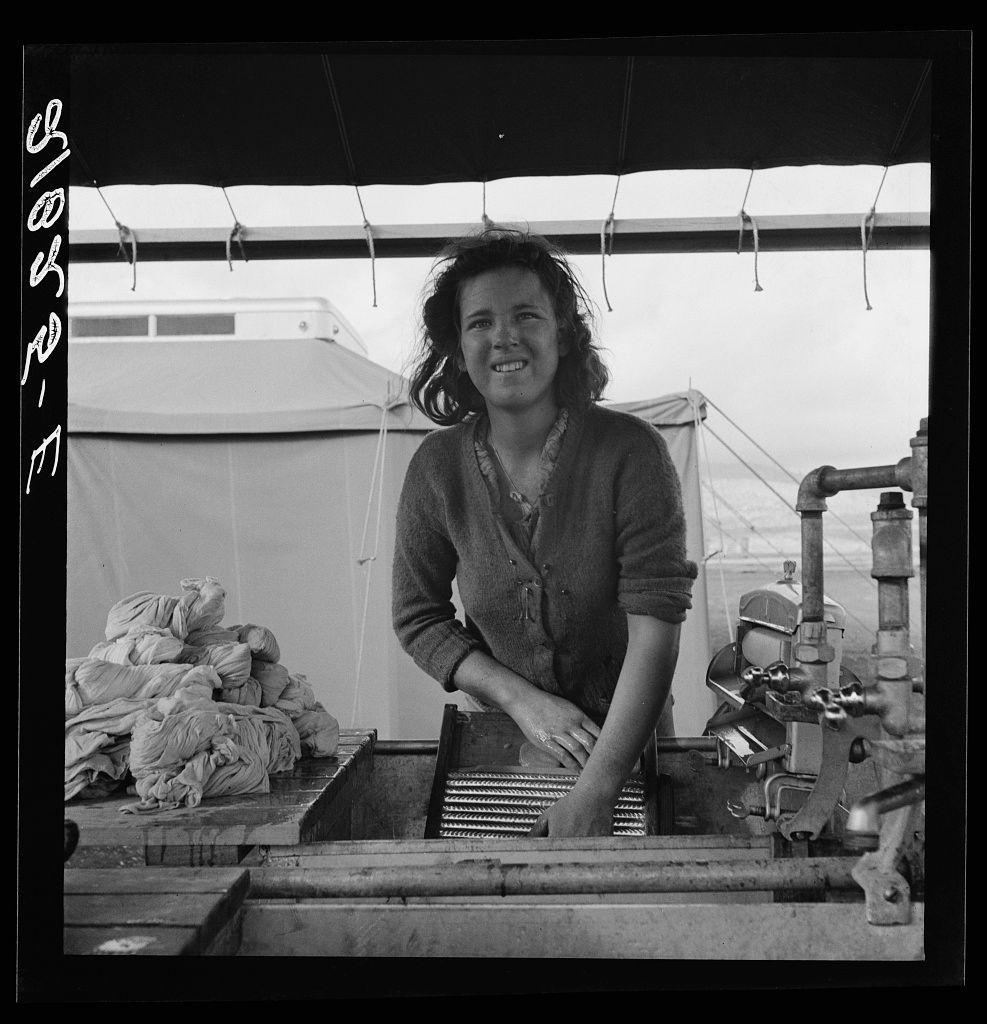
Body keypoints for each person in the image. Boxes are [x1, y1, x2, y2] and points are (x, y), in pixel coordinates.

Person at [392, 229, 697, 837]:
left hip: (625, 746)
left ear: (562, 332)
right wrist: (520, 700)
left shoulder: (631, 453)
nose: (504, 337)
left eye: (525, 314)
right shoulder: (436, 468)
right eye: (480, 322)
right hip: (503, 750)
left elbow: (654, 632)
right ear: (457, 348)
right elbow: (417, 617)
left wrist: (599, 789)